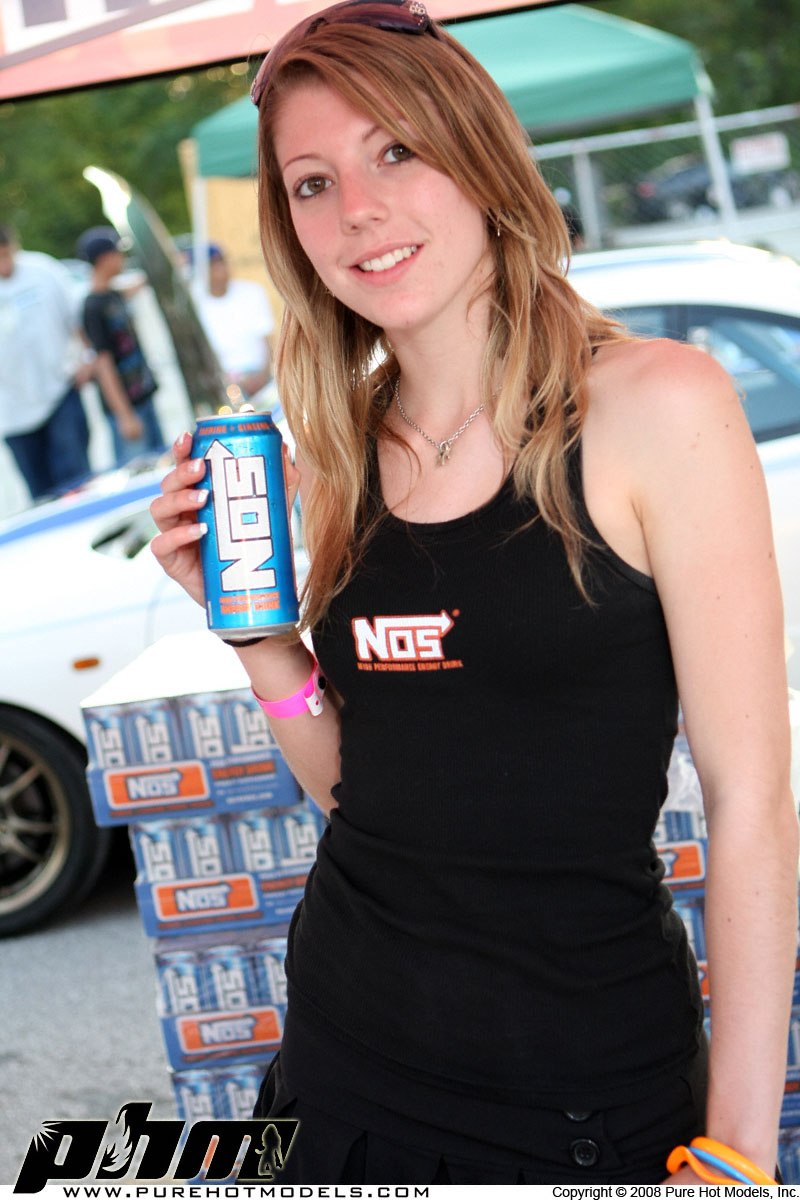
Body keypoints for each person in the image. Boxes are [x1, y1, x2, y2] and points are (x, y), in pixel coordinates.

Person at [150, 0, 798, 1184]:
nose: (357, 209)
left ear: (479, 156)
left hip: (581, 1094)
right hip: (339, 1070)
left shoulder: (656, 407)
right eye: (311, 183)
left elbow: (749, 800)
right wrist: (260, 644)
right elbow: (365, 798)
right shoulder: (333, 454)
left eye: (395, 150)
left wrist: (739, 1153)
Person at [0, 223, 92, 500]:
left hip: (59, 392)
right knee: (42, 494)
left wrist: (86, 357)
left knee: (76, 484)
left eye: (5, 255)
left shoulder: (43, 270)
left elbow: (76, 318)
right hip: (12, 412)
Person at [78, 226, 165, 467]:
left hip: (143, 396)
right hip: (127, 407)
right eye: (118, 253)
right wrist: (124, 416)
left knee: (159, 464)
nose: (122, 258)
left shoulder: (113, 295)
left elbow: (135, 286)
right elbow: (103, 364)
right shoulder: (93, 308)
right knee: (138, 468)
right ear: (104, 258)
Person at [190, 243, 275, 403]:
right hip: (222, 385)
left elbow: (268, 340)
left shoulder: (252, 292)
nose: (220, 269)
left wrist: (262, 377)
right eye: (213, 265)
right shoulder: (195, 302)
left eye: (221, 262)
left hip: (260, 377)